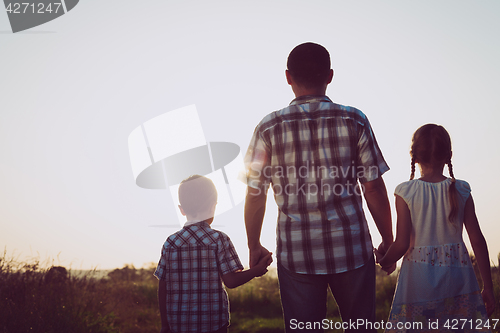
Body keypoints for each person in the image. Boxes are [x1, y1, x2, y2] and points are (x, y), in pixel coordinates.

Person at [244, 42, 394, 332]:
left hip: (297, 253)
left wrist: (253, 245)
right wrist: (388, 239)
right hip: (351, 249)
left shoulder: (268, 127)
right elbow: (373, 188)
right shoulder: (355, 119)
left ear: (288, 77)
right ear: (330, 76)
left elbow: (255, 193)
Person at [375, 124, 495, 332]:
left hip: (418, 281)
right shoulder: (461, 189)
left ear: (414, 156)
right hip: (458, 279)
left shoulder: (406, 192)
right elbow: (477, 240)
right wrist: (488, 287)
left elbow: (402, 243)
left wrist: (384, 261)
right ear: (449, 155)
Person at [154, 175, 272, 333]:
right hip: (213, 325)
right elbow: (231, 281)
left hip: (179, 325)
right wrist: (256, 271)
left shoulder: (171, 243)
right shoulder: (219, 240)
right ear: (213, 207)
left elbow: (163, 287)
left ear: (181, 209)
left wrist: (165, 325)